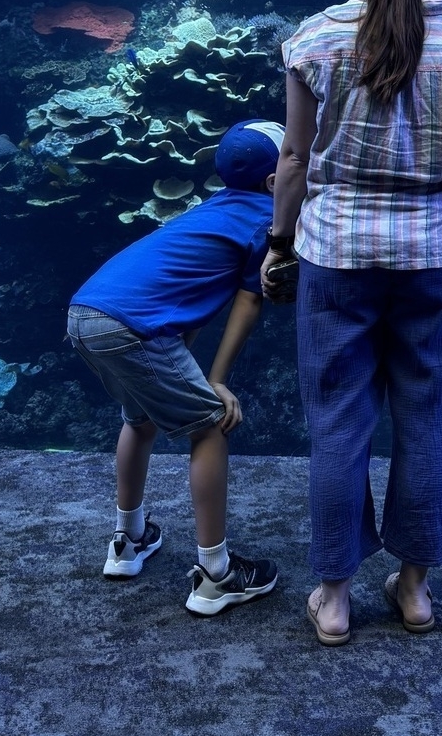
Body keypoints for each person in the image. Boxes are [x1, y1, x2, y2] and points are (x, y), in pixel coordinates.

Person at [262, 0, 442, 646]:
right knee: (426, 419)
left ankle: (333, 598)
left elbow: (296, 159)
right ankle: (414, 591)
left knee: (338, 423)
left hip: (335, 252)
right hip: (435, 256)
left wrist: (279, 242)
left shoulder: (316, 41)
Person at [66, 120, 283, 616]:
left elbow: (180, 301)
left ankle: (129, 541)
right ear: (275, 182)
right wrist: (217, 381)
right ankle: (217, 575)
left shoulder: (209, 210)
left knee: (139, 418)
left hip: (87, 313)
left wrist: (192, 369)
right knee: (210, 427)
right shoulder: (265, 220)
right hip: (131, 327)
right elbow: (248, 303)